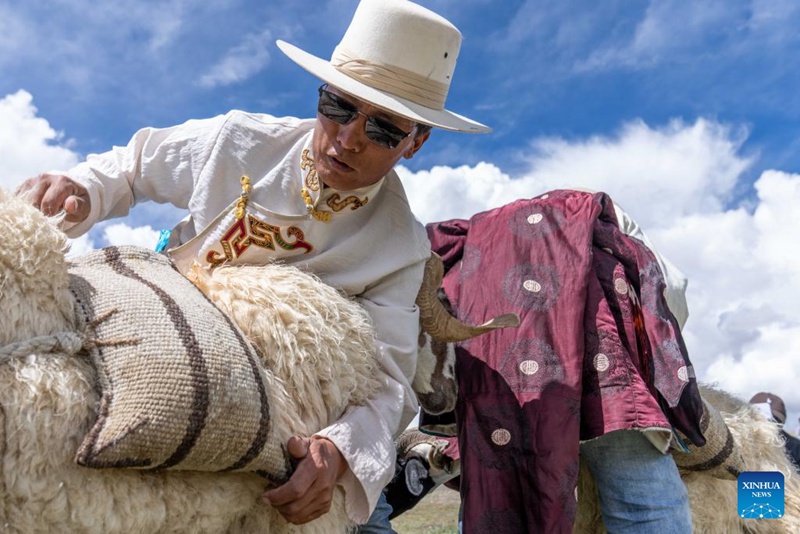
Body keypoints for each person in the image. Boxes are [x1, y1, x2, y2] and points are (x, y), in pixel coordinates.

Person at [15, 0, 489, 527]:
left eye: (382, 130)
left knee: (361, 523)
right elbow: (134, 167)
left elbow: (389, 385)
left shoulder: (401, 251)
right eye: (337, 106)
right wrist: (82, 187)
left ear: (416, 143)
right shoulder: (239, 141)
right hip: (162, 323)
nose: (349, 138)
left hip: (275, 404)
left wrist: (338, 452)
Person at [418, 191, 705, 533]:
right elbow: (670, 291)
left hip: (491, 360)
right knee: (641, 502)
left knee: (494, 491)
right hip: (598, 352)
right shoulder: (616, 231)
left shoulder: (462, 254)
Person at [749, 392, 800, 471]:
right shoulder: (734, 443)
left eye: (774, 420)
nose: (766, 425)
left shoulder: (795, 447)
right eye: (757, 417)